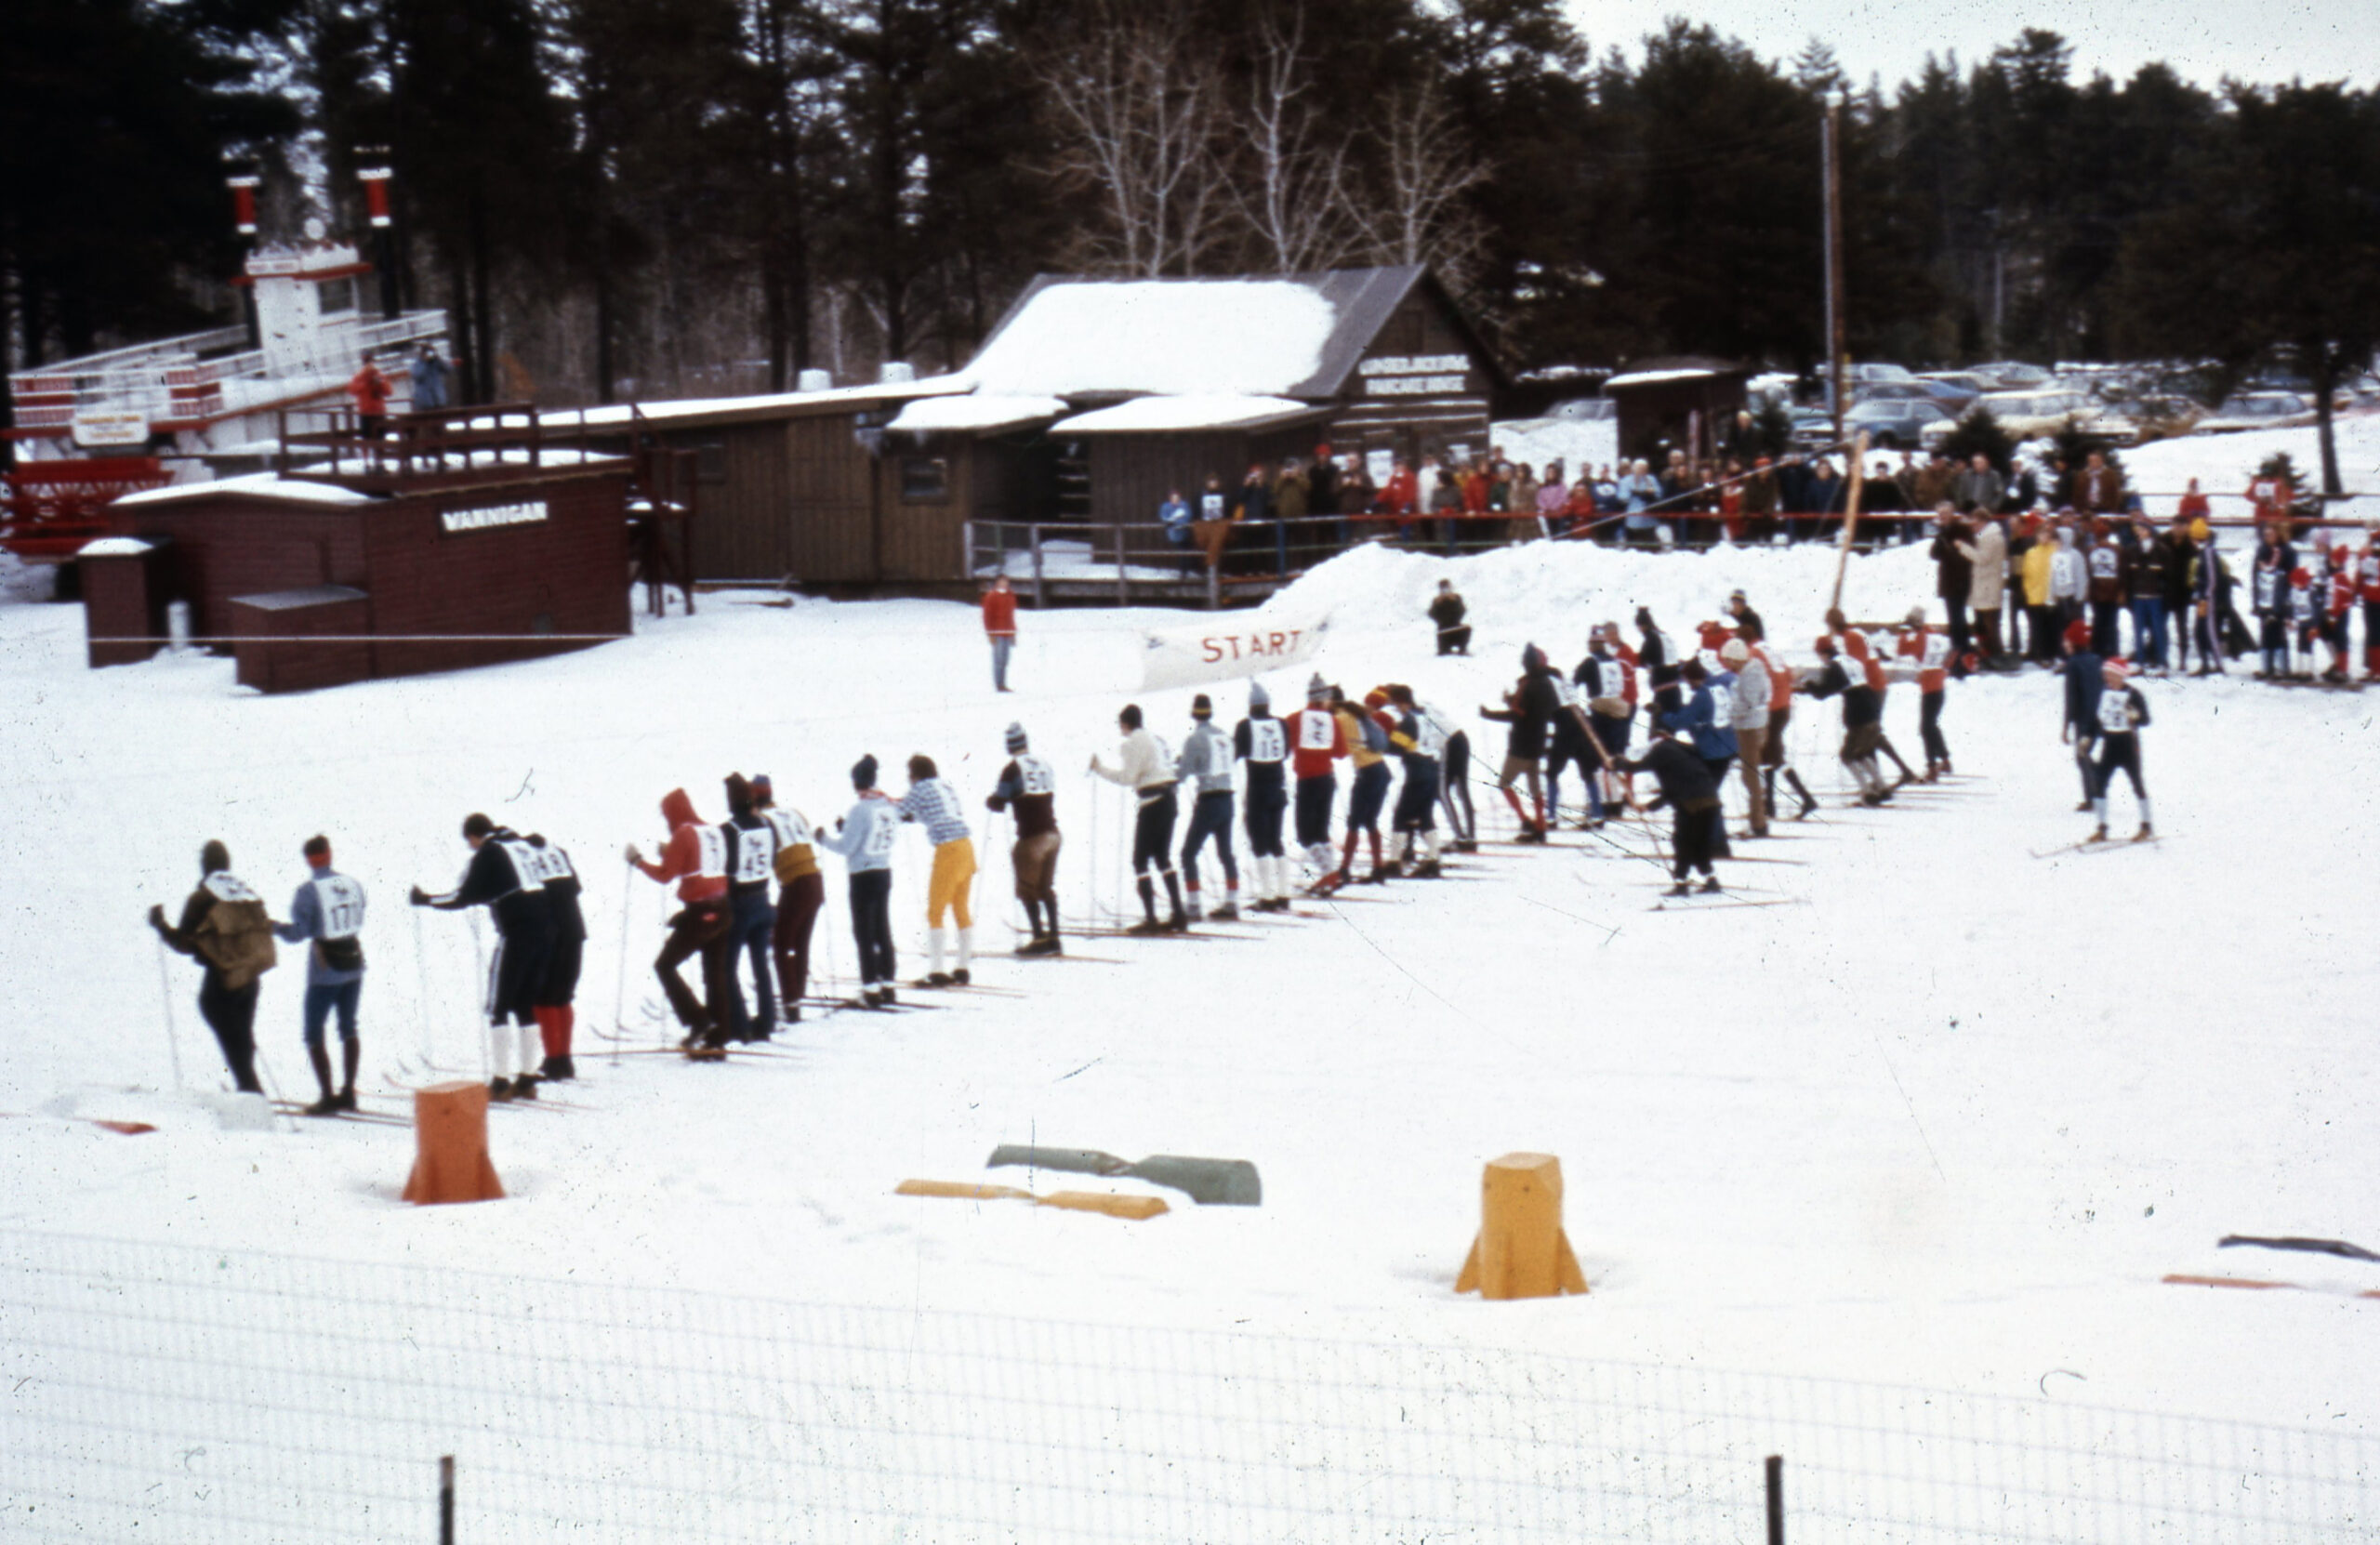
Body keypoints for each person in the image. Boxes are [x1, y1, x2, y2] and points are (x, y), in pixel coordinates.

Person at [414, 814, 553, 1099]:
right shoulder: (515, 843)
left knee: (498, 1006)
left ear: (473, 837)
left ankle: (500, 1082)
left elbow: (462, 897)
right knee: (525, 1004)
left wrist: (426, 899)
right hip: (547, 930)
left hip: (516, 933)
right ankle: (527, 1080)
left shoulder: (488, 854)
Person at [149, 839, 271, 1095]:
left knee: (216, 1013)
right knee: (241, 1033)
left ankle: (250, 1092)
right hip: (251, 978)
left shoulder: (202, 897)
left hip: (223, 978)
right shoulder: (245, 892)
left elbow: (184, 943)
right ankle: (248, 1086)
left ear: (204, 866)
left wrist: (160, 924)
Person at [625, 790, 732, 1047]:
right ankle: (718, 1035)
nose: (667, 822)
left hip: (699, 913)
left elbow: (665, 876)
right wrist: (670, 852)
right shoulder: (712, 830)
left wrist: (638, 861)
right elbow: (697, 862)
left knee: (665, 966)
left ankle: (698, 1020)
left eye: (666, 815)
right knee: (714, 974)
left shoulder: (683, 833)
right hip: (724, 910)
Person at [271, 835, 365, 1116]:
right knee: (348, 1027)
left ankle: (327, 1095)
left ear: (310, 859)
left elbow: (297, 934)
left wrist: (273, 927)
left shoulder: (307, 892)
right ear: (329, 853)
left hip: (325, 972)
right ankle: (348, 1091)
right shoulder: (353, 884)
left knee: (313, 1033)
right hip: (354, 963)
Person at [813, 756, 900, 1007]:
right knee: (882, 929)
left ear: (856, 782)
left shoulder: (859, 809)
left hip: (862, 876)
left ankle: (870, 987)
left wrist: (823, 838)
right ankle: (888, 984)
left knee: (864, 932)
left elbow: (847, 847)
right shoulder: (886, 805)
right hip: (884, 871)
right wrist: (847, 828)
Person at [1091, 704, 1186, 932]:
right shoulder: (1156, 738)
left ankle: (1151, 919)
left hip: (1152, 803)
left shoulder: (1132, 743)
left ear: (1125, 723)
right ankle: (1178, 913)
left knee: (1140, 860)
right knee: (1163, 858)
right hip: (1170, 799)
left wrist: (1100, 769)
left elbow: (1127, 778)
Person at [898, 755, 976, 986]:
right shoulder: (944, 786)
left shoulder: (920, 787)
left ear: (915, 775)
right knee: (960, 908)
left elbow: (899, 811)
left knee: (935, 911)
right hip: (966, 847)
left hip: (948, 850)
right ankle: (962, 968)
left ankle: (937, 970)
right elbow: (926, 814)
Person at [1617, 730, 1726, 895]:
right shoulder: (1683, 751)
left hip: (1691, 804)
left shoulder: (1662, 750)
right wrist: (1647, 807)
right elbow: (1670, 791)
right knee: (1700, 843)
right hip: (1711, 801)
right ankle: (1710, 879)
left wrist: (1618, 764)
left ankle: (1681, 883)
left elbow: (1639, 766)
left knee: (1683, 843)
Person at [986, 724, 1064, 955]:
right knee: (1046, 887)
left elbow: (1000, 800)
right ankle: (1054, 937)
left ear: (1009, 746)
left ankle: (1039, 938)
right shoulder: (1044, 764)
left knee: (1026, 888)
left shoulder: (1012, 770)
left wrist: (991, 802)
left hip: (1032, 837)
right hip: (1054, 834)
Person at [751, 774, 823, 1020]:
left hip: (796, 884)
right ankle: (796, 995)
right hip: (815, 879)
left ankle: (791, 1004)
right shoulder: (791, 812)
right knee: (799, 942)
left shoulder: (762, 821)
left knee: (782, 943)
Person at [519, 830, 585, 1077]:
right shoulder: (559, 853)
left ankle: (553, 1061)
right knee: (563, 998)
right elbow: (576, 888)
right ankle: (565, 1060)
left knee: (543, 999)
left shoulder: (527, 860)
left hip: (551, 935)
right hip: (576, 931)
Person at [719, 773, 780, 1035]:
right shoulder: (768, 826)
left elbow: (722, 866)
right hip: (763, 899)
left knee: (727, 966)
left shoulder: (728, 830)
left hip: (739, 904)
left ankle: (740, 1024)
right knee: (761, 966)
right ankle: (766, 1022)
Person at [1480, 645, 1561, 842]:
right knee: (1534, 786)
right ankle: (1540, 824)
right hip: (1538, 742)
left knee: (1504, 783)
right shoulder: (1548, 684)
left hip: (1520, 745)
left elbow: (1517, 715)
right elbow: (1549, 708)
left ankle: (1525, 820)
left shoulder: (1527, 685)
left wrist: (1489, 714)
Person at [1798, 634, 1890, 806]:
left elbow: (1823, 692)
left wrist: (1808, 684)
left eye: (1820, 656)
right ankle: (1882, 786)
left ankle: (1868, 792)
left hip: (1858, 713)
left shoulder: (1834, 666)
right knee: (1862, 752)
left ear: (1824, 653)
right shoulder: (1850, 660)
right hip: (1872, 706)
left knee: (1848, 755)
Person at [1740, 617, 1815, 820]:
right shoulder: (1769, 649)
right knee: (1769, 754)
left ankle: (1805, 798)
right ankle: (1771, 804)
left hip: (1771, 707)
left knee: (1772, 756)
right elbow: (1789, 674)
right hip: (1784, 706)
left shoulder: (1753, 653)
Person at [1175, 694, 1240, 921]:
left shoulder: (1194, 739)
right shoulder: (1224, 736)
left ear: (1194, 714)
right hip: (1227, 800)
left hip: (1209, 801)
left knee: (1188, 854)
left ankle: (1193, 905)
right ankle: (1232, 901)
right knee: (1225, 853)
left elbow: (1183, 774)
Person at [1233, 681, 1293, 912]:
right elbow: (1286, 752)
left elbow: (1235, 754)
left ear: (1251, 706)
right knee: (1276, 840)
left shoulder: (1245, 726)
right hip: (1278, 787)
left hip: (1257, 789)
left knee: (1259, 842)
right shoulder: (1281, 724)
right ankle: (1283, 893)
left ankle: (1267, 896)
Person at [1283, 674, 1349, 887]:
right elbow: (1341, 752)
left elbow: (1283, 745)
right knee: (1320, 831)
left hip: (1307, 780)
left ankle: (1328, 873)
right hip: (1326, 780)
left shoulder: (1296, 719)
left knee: (1305, 834)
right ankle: (1329, 875)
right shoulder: (1333, 721)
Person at [1331, 688, 1396, 885]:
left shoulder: (1340, 718)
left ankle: (1344, 869)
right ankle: (1377, 868)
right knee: (1370, 820)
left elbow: (1339, 751)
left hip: (1368, 772)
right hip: (1381, 770)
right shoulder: (1353, 713)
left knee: (1354, 822)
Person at [1382, 683, 1446, 877]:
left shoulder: (1409, 721)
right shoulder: (1426, 717)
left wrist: (1380, 741)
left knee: (1401, 816)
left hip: (1416, 773)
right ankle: (1433, 859)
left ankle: (1394, 861)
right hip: (1432, 769)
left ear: (1401, 702)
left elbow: (1395, 746)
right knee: (1425, 816)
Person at [2087, 660, 2153, 842]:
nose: (2107, 678)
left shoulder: (2133, 694)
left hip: (2128, 744)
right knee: (2100, 784)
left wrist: (2136, 716)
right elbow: (2098, 719)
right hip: (2109, 744)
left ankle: (2146, 825)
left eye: (2111, 675)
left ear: (2121, 675)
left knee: (2137, 783)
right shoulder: (2104, 693)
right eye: (2106, 675)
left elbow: (2146, 719)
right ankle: (2102, 828)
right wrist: (2088, 737)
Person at [1720, 639, 1770, 837]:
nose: (1727, 665)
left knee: (1750, 777)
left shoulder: (1750, 674)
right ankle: (1757, 819)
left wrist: (1729, 712)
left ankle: (1758, 822)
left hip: (1750, 727)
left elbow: (1749, 702)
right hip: (1752, 725)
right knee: (1749, 776)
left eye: (1728, 661)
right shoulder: (1750, 671)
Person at [1897, 608, 1952, 780]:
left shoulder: (1920, 637)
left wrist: (1903, 635)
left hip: (1929, 688)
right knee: (1932, 725)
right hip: (1939, 686)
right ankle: (1944, 759)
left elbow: (1903, 651)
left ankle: (1932, 766)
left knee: (1925, 728)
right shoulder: (1934, 636)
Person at [2059, 619, 2105, 812]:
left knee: (2082, 756)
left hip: (2083, 719)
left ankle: (2092, 796)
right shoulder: (2096, 660)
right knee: (2085, 754)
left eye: (2067, 641)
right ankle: (2096, 785)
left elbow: (2071, 698)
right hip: (2099, 716)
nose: (2064, 645)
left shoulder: (2073, 665)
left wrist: (2066, 725)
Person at [982, 575, 1018, 692]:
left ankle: (1003, 683)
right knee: (998, 659)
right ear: (997, 583)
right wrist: (990, 633)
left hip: (1007, 632)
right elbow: (987, 616)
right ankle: (999, 685)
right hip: (997, 632)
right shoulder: (991, 596)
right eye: (1001, 582)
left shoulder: (1010, 596)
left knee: (1005, 659)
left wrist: (1013, 633)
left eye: (1006, 582)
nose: (1004, 584)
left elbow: (1011, 616)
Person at [347, 353, 392, 439]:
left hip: (378, 413)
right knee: (366, 440)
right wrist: (365, 383)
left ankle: (380, 452)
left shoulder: (379, 376)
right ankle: (366, 452)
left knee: (380, 439)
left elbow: (389, 392)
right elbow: (351, 390)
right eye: (366, 362)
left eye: (370, 361)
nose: (368, 364)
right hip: (365, 413)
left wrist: (380, 383)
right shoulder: (359, 377)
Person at [1429, 579, 1471, 655]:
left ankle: (1462, 649)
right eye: (1443, 589)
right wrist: (1439, 604)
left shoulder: (1457, 598)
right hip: (1443, 630)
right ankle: (1444, 648)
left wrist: (1454, 602)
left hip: (1456, 627)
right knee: (1444, 652)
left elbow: (1462, 612)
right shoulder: (1436, 601)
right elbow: (1432, 614)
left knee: (1467, 629)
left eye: (1447, 588)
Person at [409, 343, 449, 413]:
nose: (430, 355)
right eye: (428, 353)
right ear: (423, 354)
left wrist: (439, 359)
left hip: (438, 400)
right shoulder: (416, 364)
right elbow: (418, 376)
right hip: (425, 402)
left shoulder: (436, 363)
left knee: (441, 421)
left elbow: (448, 369)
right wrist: (425, 363)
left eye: (432, 353)